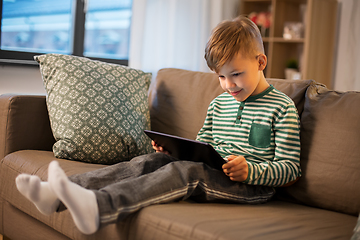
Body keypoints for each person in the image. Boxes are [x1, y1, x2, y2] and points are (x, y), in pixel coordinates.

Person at [15, 16, 301, 235]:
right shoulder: (219, 104)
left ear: (261, 61)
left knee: (185, 171)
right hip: (213, 169)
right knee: (152, 160)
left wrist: (250, 170)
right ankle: (57, 193)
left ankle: (99, 208)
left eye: (236, 74)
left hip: (251, 187)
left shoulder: (281, 107)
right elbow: (202, 148)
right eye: (221, 77)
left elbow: (290, 171)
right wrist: (174, 150)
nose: (228, 85)